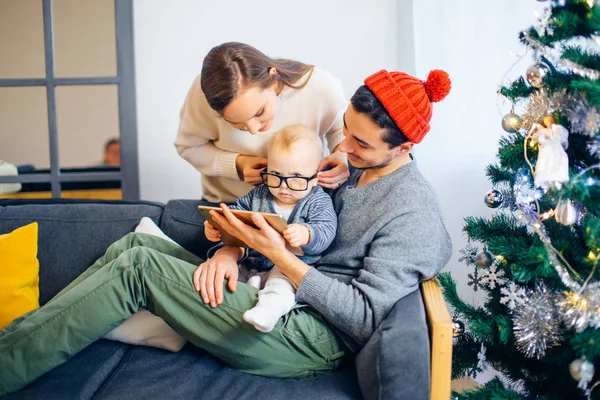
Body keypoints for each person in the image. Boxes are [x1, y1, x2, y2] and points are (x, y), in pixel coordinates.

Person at [0, 68, 452, 395]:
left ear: (405, 148)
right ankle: (20, 341)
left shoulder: (412, 213)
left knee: (138, 267)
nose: (345, 148)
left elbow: (365, 318)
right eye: (346, 133)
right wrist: (230, 250)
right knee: (136, 243)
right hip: (265, 286)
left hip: (304, 333)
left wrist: (277, 254)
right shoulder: (347, 169)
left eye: (360, 143)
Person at [174, 42, 350, 204]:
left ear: (273, 79)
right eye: (235, 123)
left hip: (305, 208)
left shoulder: (318, 86)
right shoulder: (203, 95)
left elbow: (340, 129)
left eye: (259, 112)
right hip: (230, 205)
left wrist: (341, 156)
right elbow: (188, 146)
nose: (252, 129)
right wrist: (237, 165)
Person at [204, 124, 337, 333]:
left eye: (295, 178)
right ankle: (228, 303)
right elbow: (236, 213)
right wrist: (218, 225)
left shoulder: (317, 201)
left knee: (281, 285)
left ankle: (268, 312)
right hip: (252, 262)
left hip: (289, 268)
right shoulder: (260, 194)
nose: (283, 186)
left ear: (314, 179)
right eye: (276, 175)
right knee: (225, 273)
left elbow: (327, 230)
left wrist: (307, 234)